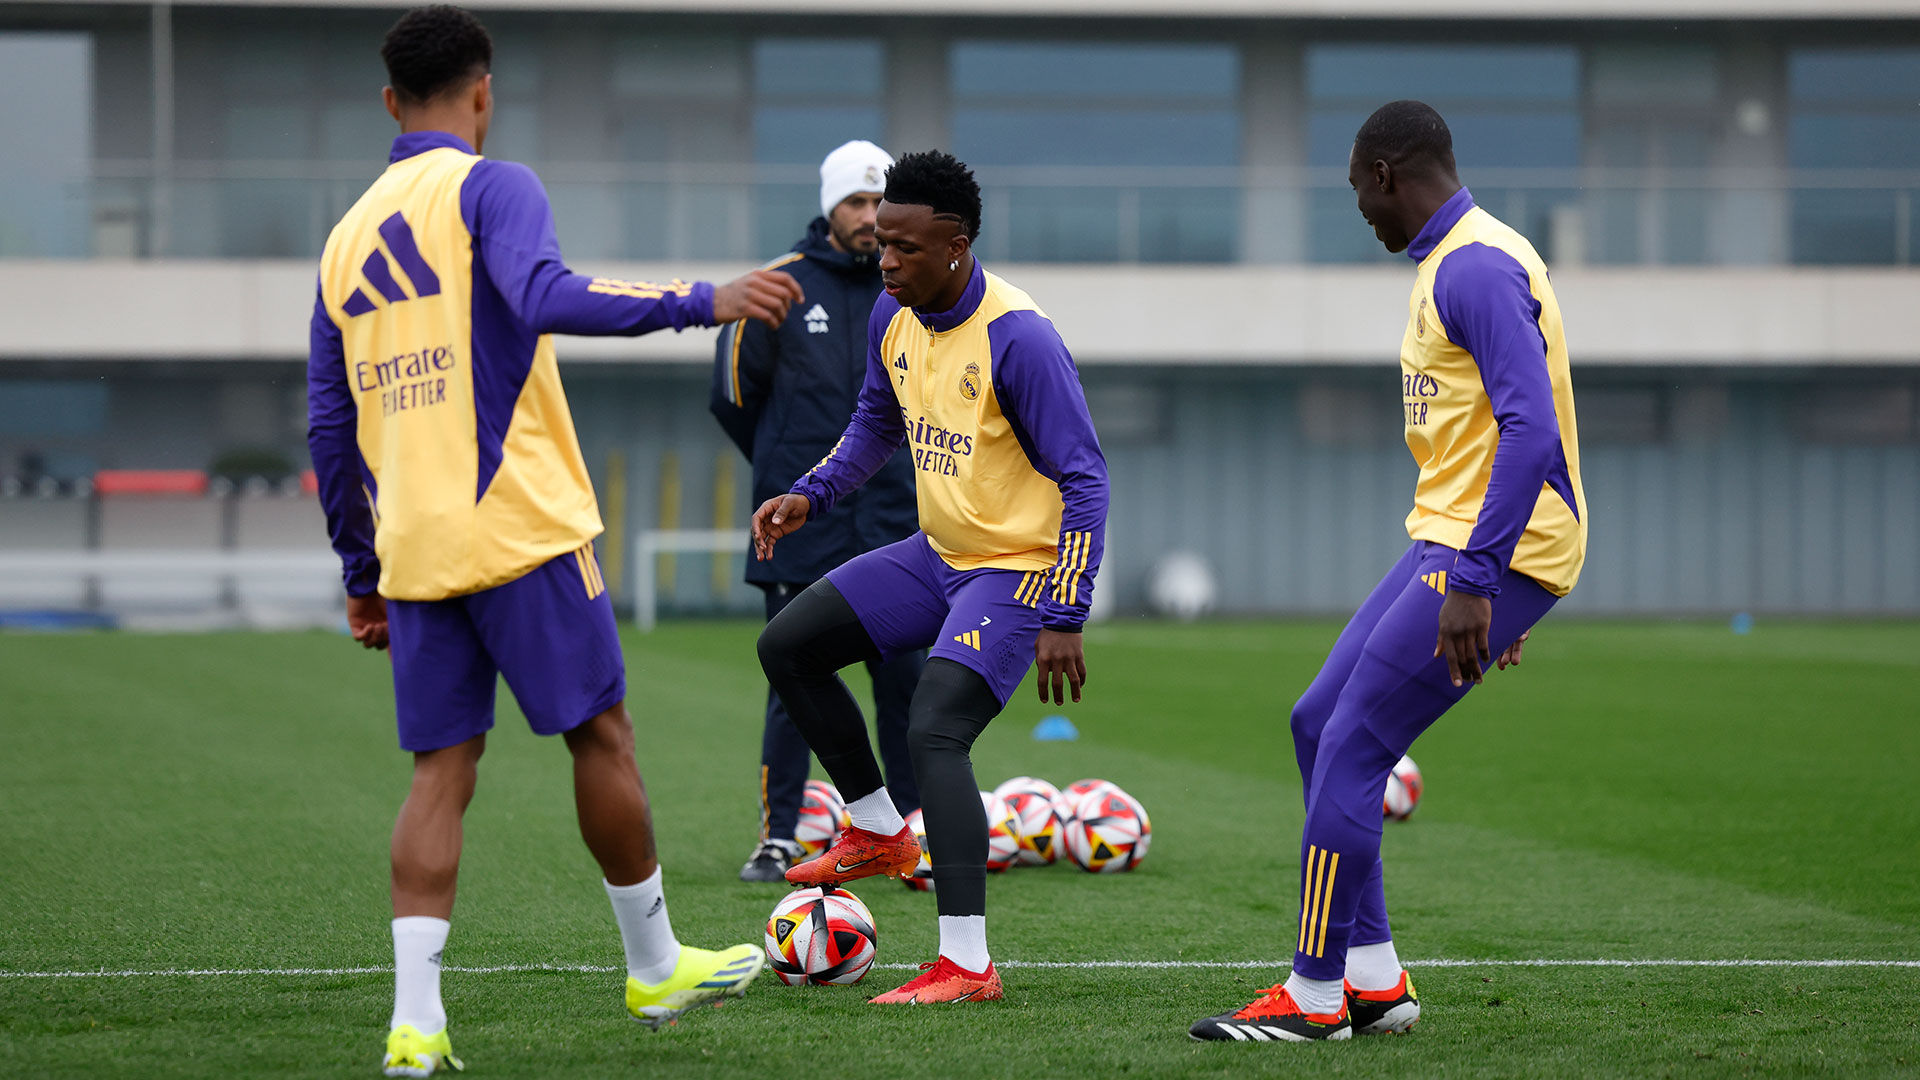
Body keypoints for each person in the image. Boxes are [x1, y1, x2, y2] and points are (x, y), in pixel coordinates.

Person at [305, 7, 804, 1075]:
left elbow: (328, 423)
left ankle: (417, 1025)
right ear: (483, 94)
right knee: (601, 737)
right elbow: (540, 296)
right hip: (521, 524)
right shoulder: (494, 185)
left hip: (416, 547)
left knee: (440, 774)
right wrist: (700, 301)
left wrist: (362, 575)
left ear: (390, 103)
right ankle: (656, 961)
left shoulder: (344, 240)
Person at [1188, 100, 1587, 1043]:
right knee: (1317, 721)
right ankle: (1373, 980)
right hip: (1456, 539)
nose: (1362, 214)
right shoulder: (1458, 260)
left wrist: (1485, 586)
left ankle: (1314, 996)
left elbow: (1531, 430)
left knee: (1355, 743)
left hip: (1491, 549)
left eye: (1359, 195)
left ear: (1384, 175)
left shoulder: (1477, 268)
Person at [751, 150, 1109, 1005]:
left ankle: (967, 964)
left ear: (956, 244)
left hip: (1015, 571)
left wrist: (1068, 608)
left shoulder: (1019, 337)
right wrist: (813, 493)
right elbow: (876, 419)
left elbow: (1086, 477)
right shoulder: (893, 313)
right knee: (788, 646)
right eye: (880, 244)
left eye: (904, 248)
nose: (886, 262)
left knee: (934, 730)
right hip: (936, 555)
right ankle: (877, 828)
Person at [712, 140, 924, 883]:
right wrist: (784, 471)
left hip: (896, 519)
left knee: (904, 679)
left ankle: (906, 832)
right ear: (830, 207)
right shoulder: (778, 288)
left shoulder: (911, 291)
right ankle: (778, 836)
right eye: (857, 204)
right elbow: (734, 399)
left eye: (879, 204)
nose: (870, 219)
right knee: (793, 682)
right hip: (805, 531)